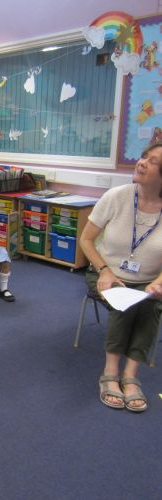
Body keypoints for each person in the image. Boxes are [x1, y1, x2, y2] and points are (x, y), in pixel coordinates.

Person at [80, 142, 162, 412]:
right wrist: (104, 270)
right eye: (144, 157)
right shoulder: (116, 197)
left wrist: (158, 282)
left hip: (149, 280)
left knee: (151, 302)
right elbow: (86, 240)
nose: (142, 162)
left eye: (153, 162)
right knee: (123, 301)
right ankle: (111, 372)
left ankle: (131, 375)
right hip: (105, 271)